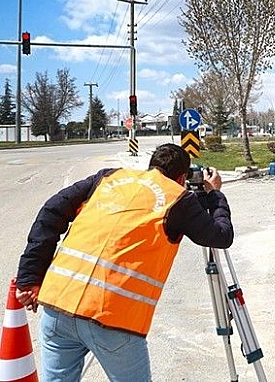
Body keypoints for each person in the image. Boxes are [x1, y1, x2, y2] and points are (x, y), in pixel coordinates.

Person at [14, 143, 234, 381]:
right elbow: (221, 236)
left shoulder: (108, 177)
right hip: (113, 320)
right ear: (182, 178)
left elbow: (50, 212)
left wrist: (30, 278)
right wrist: (215, 195)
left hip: (58, 307)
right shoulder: (178, 199)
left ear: (152, 165)